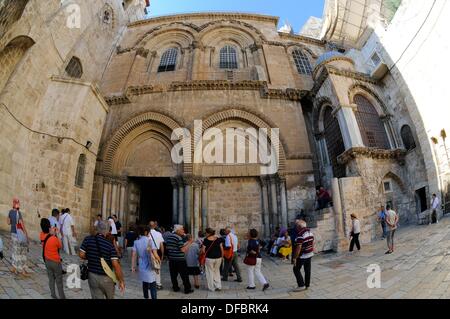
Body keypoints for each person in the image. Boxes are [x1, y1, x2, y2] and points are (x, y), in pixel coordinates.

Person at [79, 220, 125, 299]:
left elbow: (81, 254)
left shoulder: (88, 239)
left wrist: (91, 256)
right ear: (107, 231)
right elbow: (115, 265)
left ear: (97, 228)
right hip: (106, 278)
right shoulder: (109, 245)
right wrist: (121, 280)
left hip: (92, 276)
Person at [40, 218, 65, 299]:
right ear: (49, 227)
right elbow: (60, 246)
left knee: (51, 278)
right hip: (55, 262)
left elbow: (46, 236)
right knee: (59, 280)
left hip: (47, 260)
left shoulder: (41, 235)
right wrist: (56, 235)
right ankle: (62, 297)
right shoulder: (54, 238)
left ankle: (53, 295)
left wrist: (51, 233)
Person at [132, 226, 159, 299]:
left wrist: (133, 266)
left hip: (141, 264)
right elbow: (155, 254)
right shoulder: (150, 241)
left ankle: (146, 297)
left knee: (144, 282)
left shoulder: (136, 242)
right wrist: (159, 261)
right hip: (150, 264)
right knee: (153, 284)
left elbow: (134, 255)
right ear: (146, 232)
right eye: (149, 232)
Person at [165, 225, 194, 294]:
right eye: (182, 229)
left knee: (173, 275)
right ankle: (187, 289)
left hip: (172, 259)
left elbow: (170, 247)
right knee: (184, 275)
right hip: (180, 260)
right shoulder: (178, 238)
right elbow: (183, 250)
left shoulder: (169, 237)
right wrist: (190, 242)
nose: (183, 231)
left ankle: (175, 287)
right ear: (177, 231)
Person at [7, 198, 29, 275]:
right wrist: (26, 234)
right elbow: (21, 224)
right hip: (19, 234)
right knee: (21, 251)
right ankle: (22, 270)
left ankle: (14, 267)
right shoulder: (18, 213)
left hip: (13, 233)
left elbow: (8, 222)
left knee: (14, 250)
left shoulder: (10, 212)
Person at [292, 220, 314, 292]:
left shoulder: (300, 234)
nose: (296, 228)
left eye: (296, 226)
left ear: (299, 226)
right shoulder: (310, 232)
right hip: (309, 253)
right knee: (307, 270)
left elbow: (298, 248)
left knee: (296, 269)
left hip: (303, 255)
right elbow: (313, 242)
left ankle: (301, 285)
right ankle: (307, 285)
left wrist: (295, 258)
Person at [149, 221, 165, 290]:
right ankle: (158, 284)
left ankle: (151, 283)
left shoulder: (147, 234)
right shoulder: (159, 234)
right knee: (157, 268)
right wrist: (162, 255)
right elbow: (161, 245)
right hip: (157, 252)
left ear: (148, 226)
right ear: (154, 226)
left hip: (150, 252)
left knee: (150, 268)